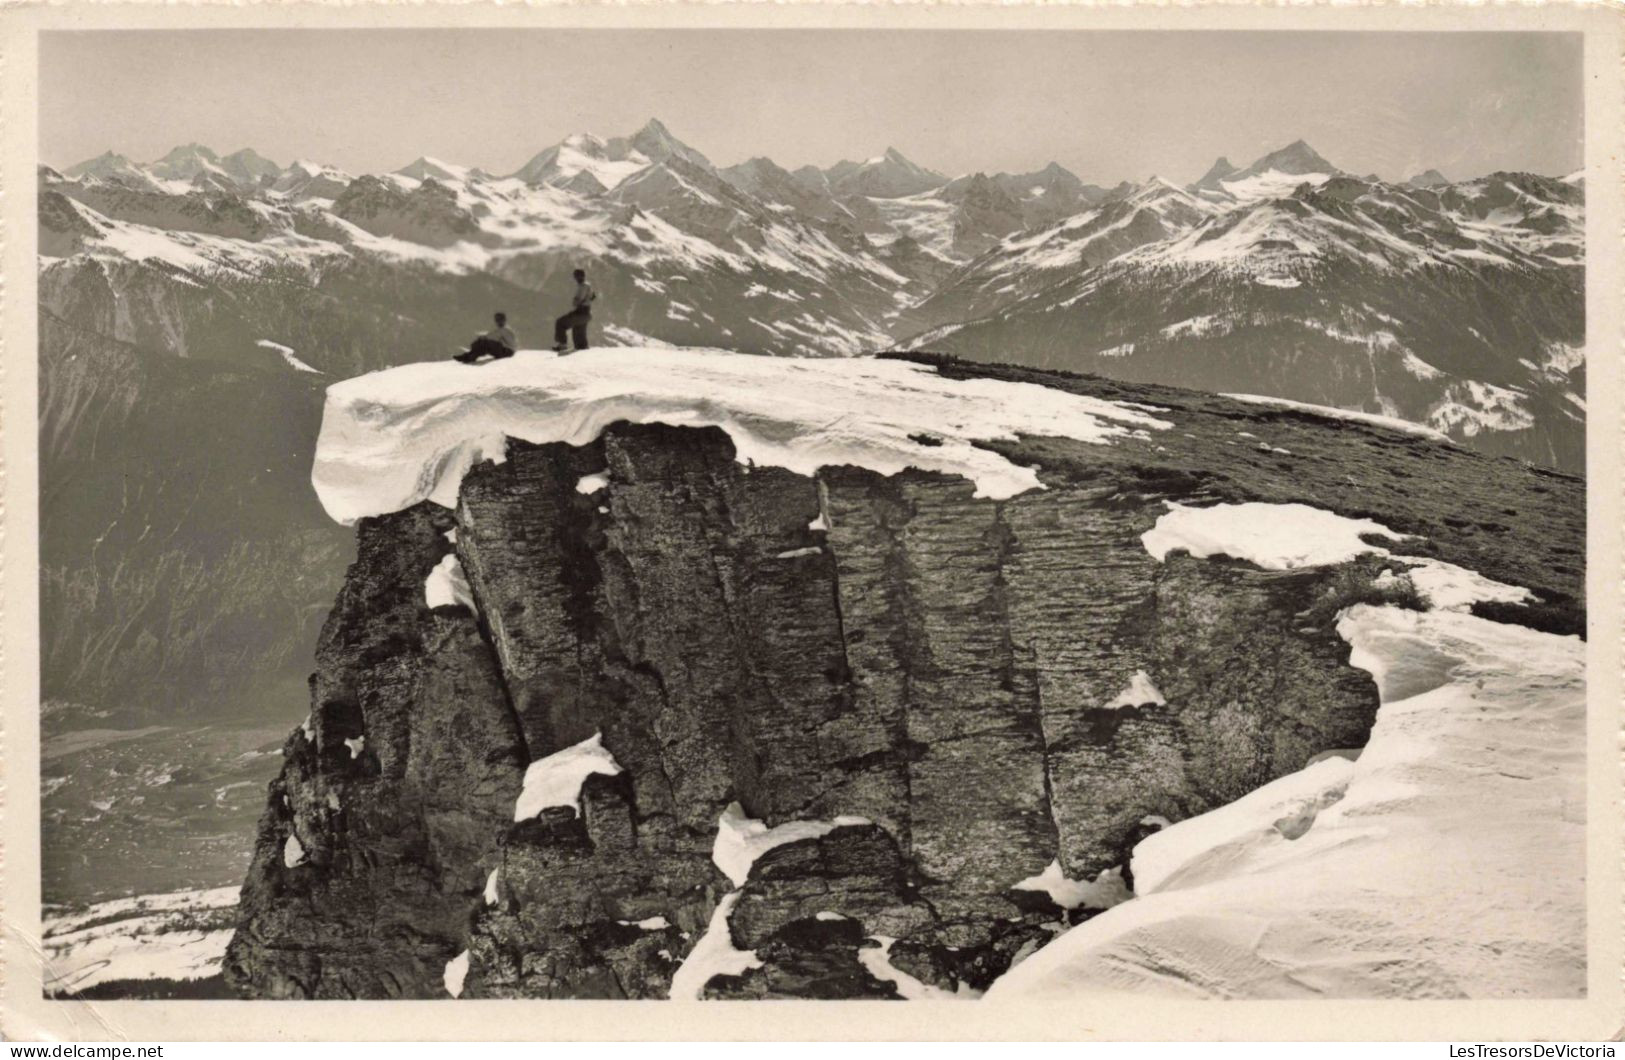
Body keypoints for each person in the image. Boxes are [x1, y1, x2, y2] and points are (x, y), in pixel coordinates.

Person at [553, 269, 596, 353]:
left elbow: (578, 301)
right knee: (578, 332)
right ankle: (583, 348)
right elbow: (593, 297)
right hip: (586, 314)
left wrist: (576, 301)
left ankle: (562, 345)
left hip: (581, 312)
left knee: (560, 322)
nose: (576, 278)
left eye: (576, 276)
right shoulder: (588, 286)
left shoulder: (583, 286)